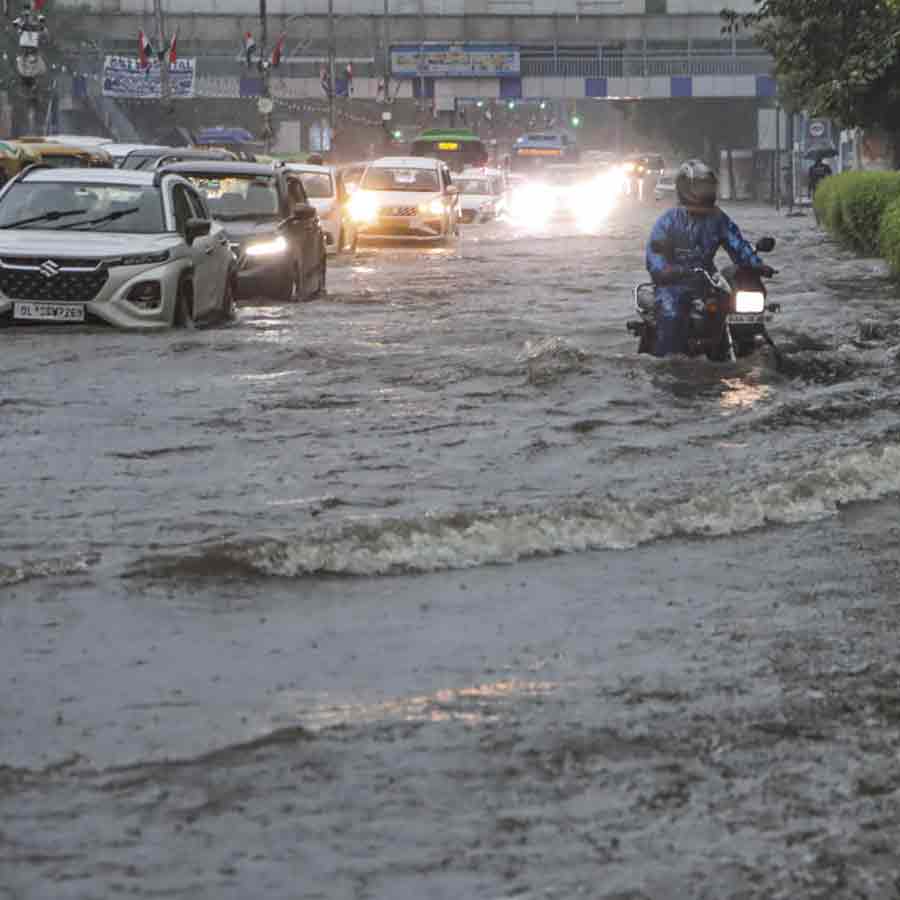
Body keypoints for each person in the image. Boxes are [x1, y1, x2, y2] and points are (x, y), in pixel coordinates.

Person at [645, 159, 773, 357]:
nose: (705, 193)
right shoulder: (668, 220)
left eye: (708, 188)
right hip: (674, 282)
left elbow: (737, 244)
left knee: (740, 309)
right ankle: (670, 361)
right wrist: (665, 270)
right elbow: (655, 253)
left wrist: (757, 265)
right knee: (672, 313)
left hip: (708, 280)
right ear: (686, 189)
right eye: (700, 188)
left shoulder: (718, 218)